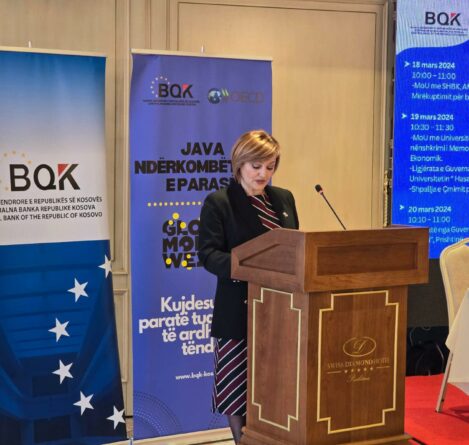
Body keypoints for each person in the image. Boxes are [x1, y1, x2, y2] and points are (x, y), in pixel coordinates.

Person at [197, 129, 299, 444]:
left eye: (270, 166)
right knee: (236, 388)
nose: (263, 174)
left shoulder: (283, 198)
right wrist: (251, 267)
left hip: (282, 309)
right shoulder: (220, 203)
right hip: (238, 309)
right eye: (256, 166)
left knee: (276, 384)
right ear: (239, 164)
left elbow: (295, 247)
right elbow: (209, 255)